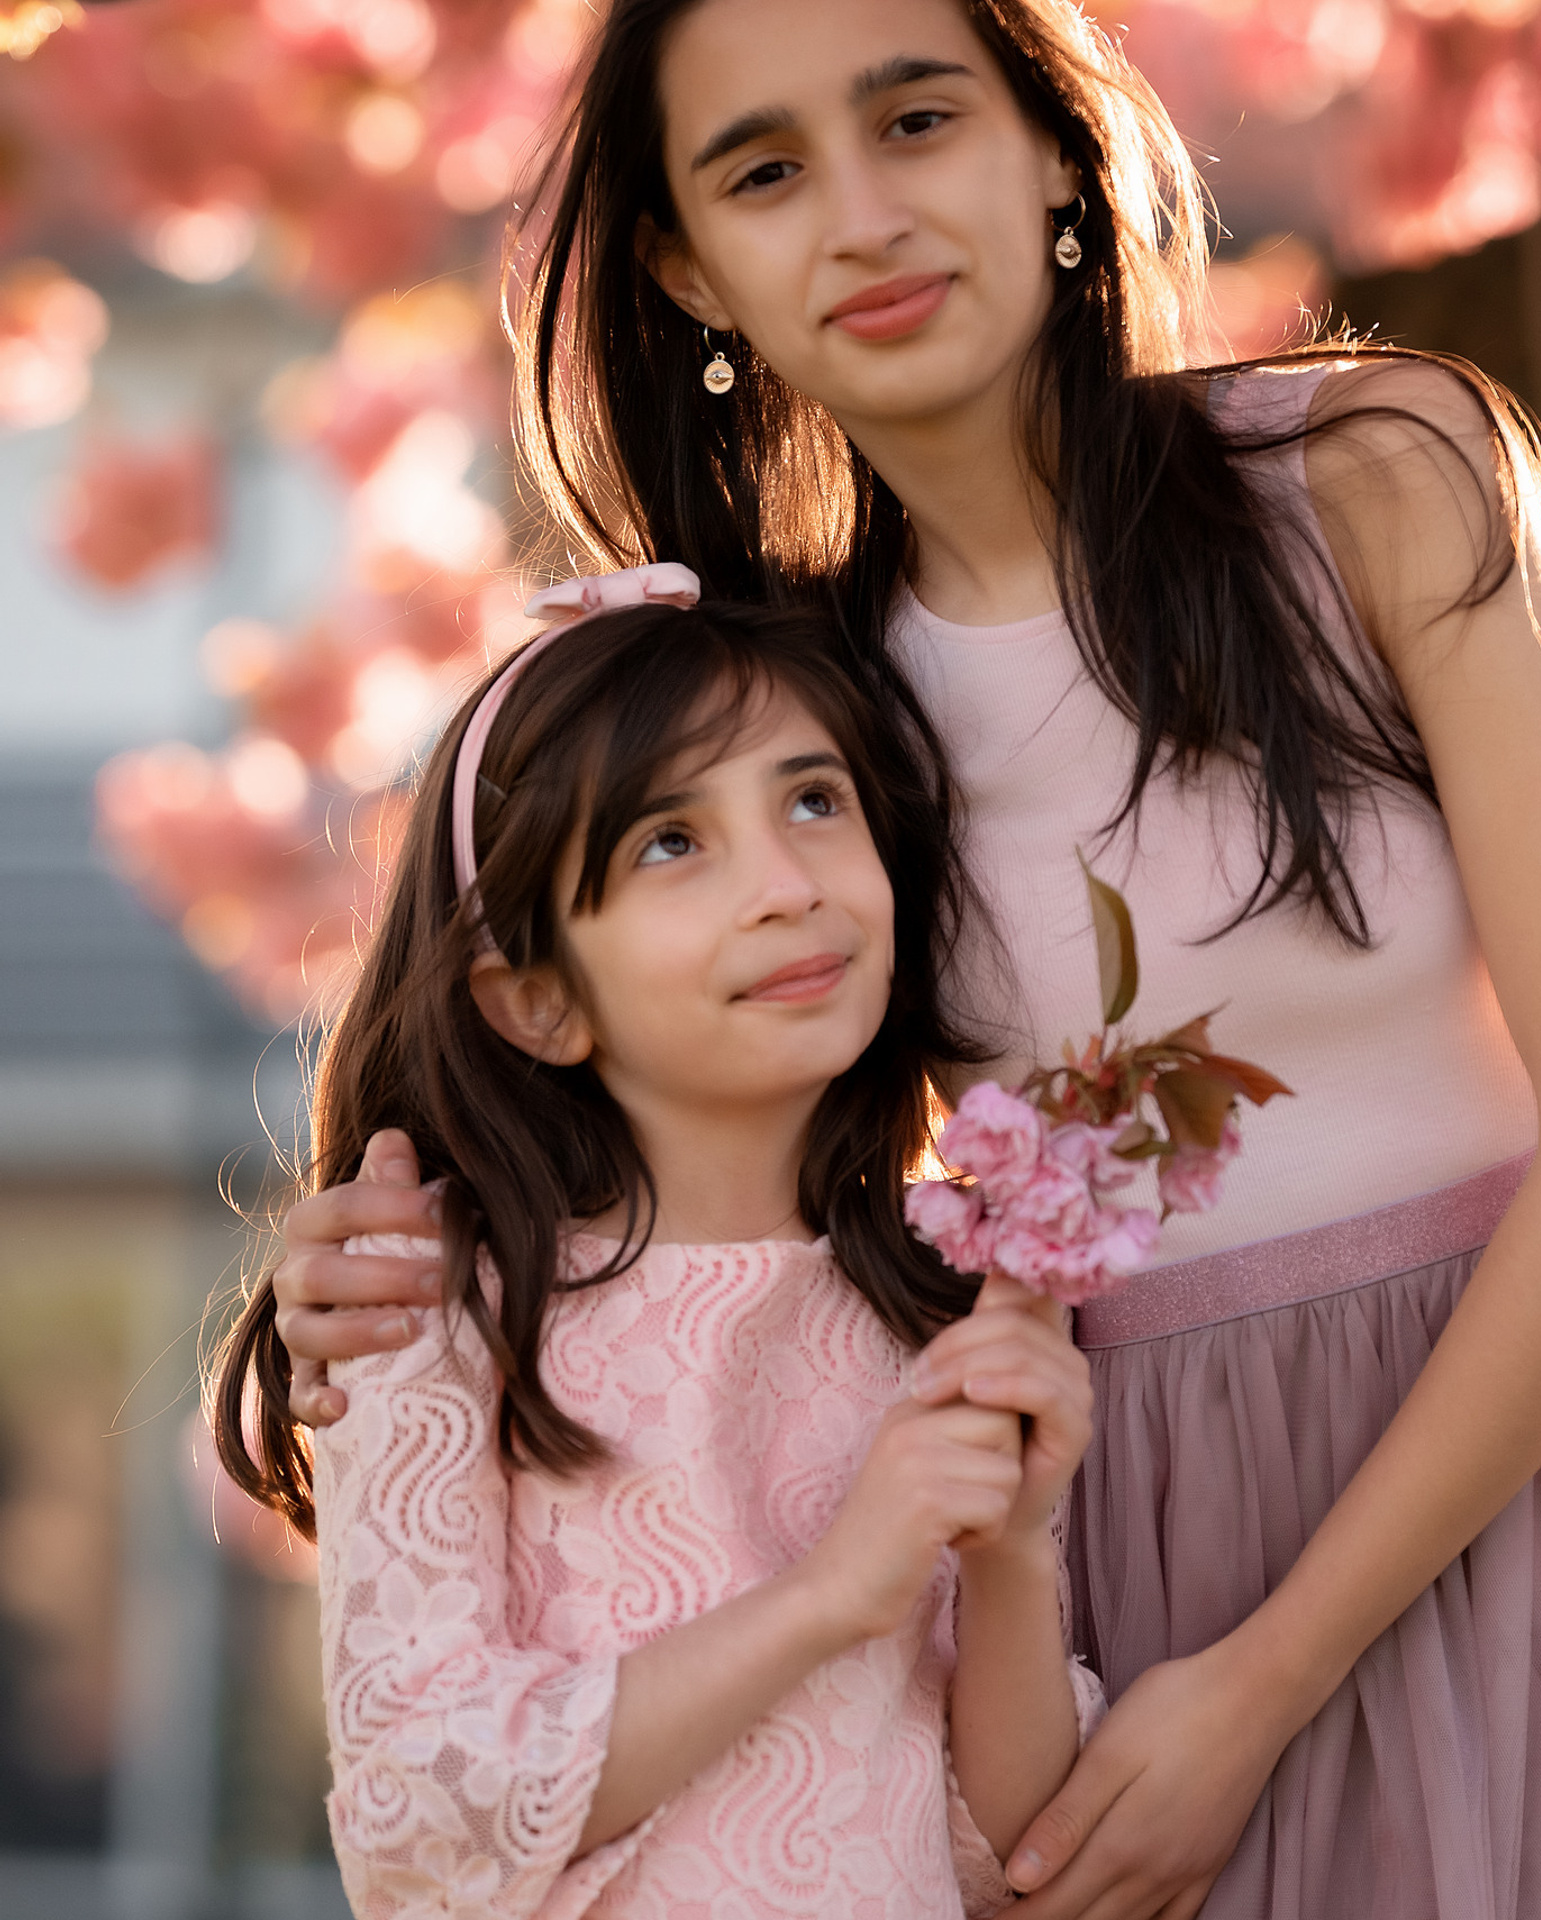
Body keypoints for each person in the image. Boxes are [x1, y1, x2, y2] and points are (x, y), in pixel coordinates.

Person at [260, 1, 1541, 1914]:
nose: (864, 216)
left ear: (1056, 151)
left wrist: (1257, 1685)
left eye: (918, 120)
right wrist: (393, 1250)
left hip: (1479, 1484)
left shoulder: (1377, 477)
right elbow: (717, 1140)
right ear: (691, 268)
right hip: (1074, 1572)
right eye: (764, 170)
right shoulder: (800, 730)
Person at [214, 583, 1105, 1918]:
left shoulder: (951, 1298)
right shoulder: (432, 1303)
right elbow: (423, 1819)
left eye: (814, 801)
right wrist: (832, 1595)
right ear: (539, 1000)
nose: (786, 887)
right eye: (673, 842)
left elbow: (1010, 1854)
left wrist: (1015, 1546)